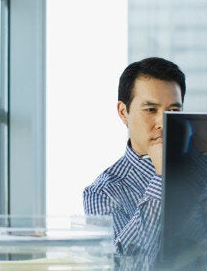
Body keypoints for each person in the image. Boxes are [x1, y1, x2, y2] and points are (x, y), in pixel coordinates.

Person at [83, 57, 185, 269]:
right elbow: (126, 266)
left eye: (173, 111)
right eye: (150, 110)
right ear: (123, 112)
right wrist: (161, 179)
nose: (163, 123)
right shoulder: (102, 192)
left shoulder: (204, 171)